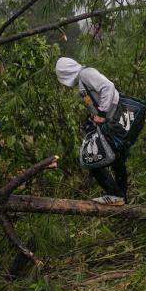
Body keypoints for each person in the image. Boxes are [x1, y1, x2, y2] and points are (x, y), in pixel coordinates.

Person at [55, 57, 132, 206]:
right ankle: (122, 198)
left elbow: (108, 87)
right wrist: (92, 120)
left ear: (65, 73)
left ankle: (116, 195)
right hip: (114, 120)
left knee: (93, 159)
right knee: (118, 161)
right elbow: (97, 102)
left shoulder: (86, 74)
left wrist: (102, 114)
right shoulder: (83, 81)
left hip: (114, 120)